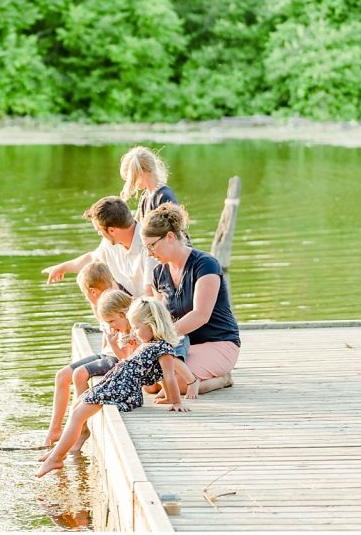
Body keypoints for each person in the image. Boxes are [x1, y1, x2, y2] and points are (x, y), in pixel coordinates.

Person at [35, 296, 189, 478]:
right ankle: (57, 453)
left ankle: (57, 457)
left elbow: (169, 375)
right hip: (116, 382)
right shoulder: (149, 344)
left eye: (137, 327)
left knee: (79, 413)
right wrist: (167, 397)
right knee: (77, 404)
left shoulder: (163, 348)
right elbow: (159, 374)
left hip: (123, 389)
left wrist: (176, 401)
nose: (134, 332)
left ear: (152, 324)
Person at [142, 202, 240, 398]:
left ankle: (223, 379)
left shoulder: (205, 264)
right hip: (183, 344)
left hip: (219, 342)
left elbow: (200, 315)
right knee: (149, 384)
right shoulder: (158, 273)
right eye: (146, 248)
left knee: (176, 383)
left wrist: (164, 336)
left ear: (170, 237)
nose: (149, 253)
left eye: (151, 246)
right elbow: (161, 318)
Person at [43, 289, 138, 447]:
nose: (110, 326)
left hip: (115, 359)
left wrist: (113, 344)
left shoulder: (133, 331)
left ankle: (82, 428)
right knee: (61, 375)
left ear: (124, 314)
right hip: (105, 355)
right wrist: (108, 341)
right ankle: (55, 429)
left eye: (111, 321)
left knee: (80, 374)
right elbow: (104, 348)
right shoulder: (117, 326)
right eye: (107, 322)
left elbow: (127, 361)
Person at [42, 196, 156, 298]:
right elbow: (92, 259)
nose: (99, 234)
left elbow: (151, 295)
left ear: (112, 230)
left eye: (99, 231)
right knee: (88, 277)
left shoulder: (149, 244)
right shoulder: (111, 243)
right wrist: (62, 268)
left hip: (156, 308)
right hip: (136, 305)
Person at [119, 146, 179, 223]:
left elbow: (176, 231)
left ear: (139, 172)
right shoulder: (145, 196)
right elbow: (135, 227)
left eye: (130, 177)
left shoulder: (164, 196)